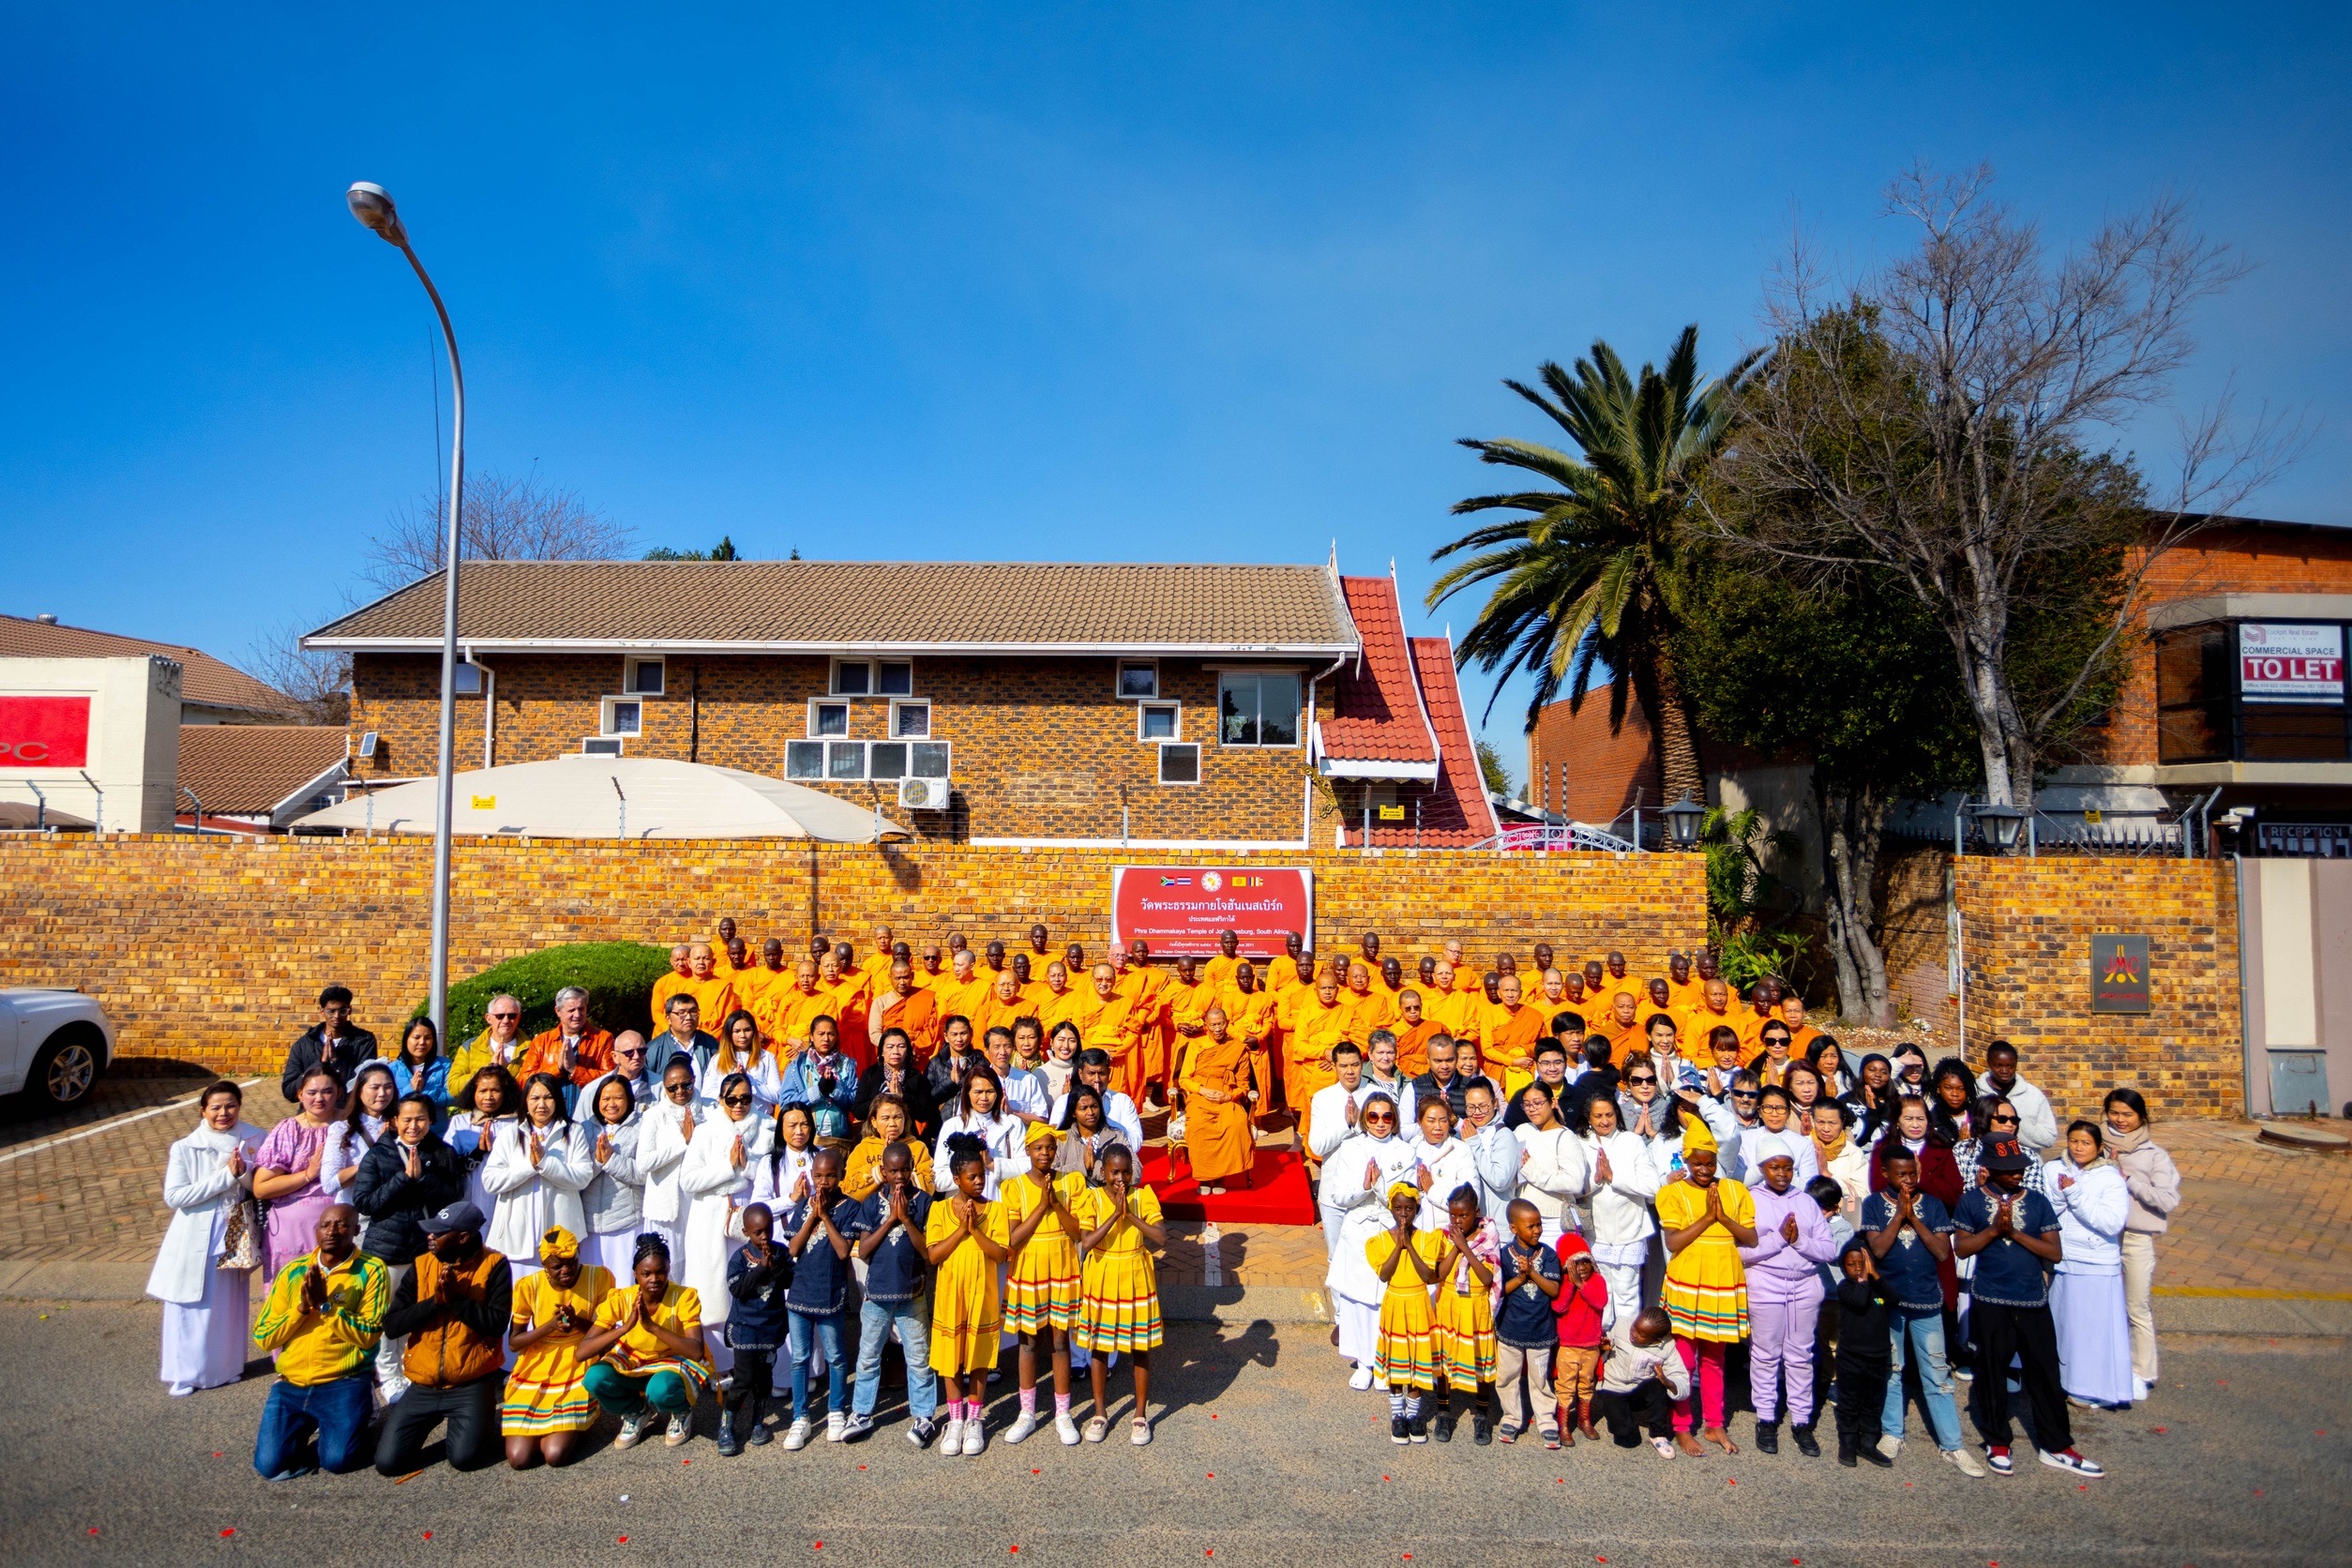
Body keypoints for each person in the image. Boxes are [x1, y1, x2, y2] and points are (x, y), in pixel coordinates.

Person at [1954, 1137, 2103, 1477]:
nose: (2015, 1175)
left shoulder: (2037, 1203)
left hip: (2033, 1300)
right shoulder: (1971, 1202)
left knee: (2046, 1374)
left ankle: (2056, 1445)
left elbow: (2054, 1253)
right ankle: (1997, 1441)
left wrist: (2015, 1233)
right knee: (1991, 1374)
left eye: (2019, 1168)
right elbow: (1962, 1249)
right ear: (1988, 1170)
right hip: (1990, 1300)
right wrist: (1994, 1230)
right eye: (2007, 1171)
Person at [1862, 1147, 1983, 1475]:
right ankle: (1892, 1433)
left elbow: (1944, 1252)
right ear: (1886, 1173)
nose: (1909, 1181)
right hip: (1890, 1302)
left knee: (1937, 1373)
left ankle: (1953, 1444)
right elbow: (1878, 1250)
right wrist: (1898, 1216)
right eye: (1900, 1175)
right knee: (1892, 1367)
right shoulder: (1874, 1204)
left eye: (1913, 1174)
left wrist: (1913, 1217)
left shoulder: (1932, 1205)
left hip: (1927, 1300)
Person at [373, 1200, 514, 1476]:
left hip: (470, 1382)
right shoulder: (421, 1265)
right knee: (388, 1464)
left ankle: (481, 1420)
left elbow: (496, 1325)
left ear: (463, 1237)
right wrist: (435, 1303)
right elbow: (391, 1326)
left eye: (439, 1233)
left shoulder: (495, 1265)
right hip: (424, 1384)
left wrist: (457, 1301)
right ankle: (471, 1425)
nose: (430, 1237)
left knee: (463, 1459)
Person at [249, 1204, 390, 1479]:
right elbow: (264, 1337)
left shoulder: (372, 1270)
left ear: (356, 1231)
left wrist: (326, 1307)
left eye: (341, 1225)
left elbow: (369, 1334)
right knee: (269, 1467)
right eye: (325, 1225)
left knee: (338, 1461)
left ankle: (361, 1415)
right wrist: (302, 1309)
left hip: (344, 1382)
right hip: (292, 1386)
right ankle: (319, 1428)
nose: (332, 1231)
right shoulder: (293, 1272)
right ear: (316, 1231)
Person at [351, 1093, 468, 1404]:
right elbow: (365, 1202)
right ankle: (389, 1377)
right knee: (389, 1316)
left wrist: (424, 1178)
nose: (413, 1126)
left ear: (431, 1121)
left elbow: (453, 1197)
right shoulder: (378, 1155)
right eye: (407, 1119)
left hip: (427, 1250)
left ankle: (415, 1368)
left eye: (420, 1119)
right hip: (387, 1249)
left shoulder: (443, 1152)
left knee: (423, 1313)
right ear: (394, 1122)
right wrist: (403, 1179)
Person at [151, 1081, 264, 1396]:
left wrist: (243, 1174)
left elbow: (262, 1184)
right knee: (192, 1305)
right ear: (203, 1110)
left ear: (239, 1107)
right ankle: (185, 1374)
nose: (223, 1113)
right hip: (195, 1234)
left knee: (228, 1304)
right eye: (215, 1107)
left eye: (230, 1106)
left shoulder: (256, 1137)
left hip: (237, 1232)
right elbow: (175, 1196)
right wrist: (225, 1177)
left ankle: (226, 1368)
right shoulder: (186, 1147)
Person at [1736, 1130, 1840, 1456]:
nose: (1781, 1174)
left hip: (1805, 1286)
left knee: (1801, 1356)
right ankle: (1766, 1418)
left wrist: (1798, 1242)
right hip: (1766, 1284)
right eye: (1774, 1167)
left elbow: (1828, 1250)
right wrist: (1780, 1239)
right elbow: (1742, 1252)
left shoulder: (1806, 1201)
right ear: (1763, 1168)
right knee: (1765, 1354)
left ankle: (1801, 1420)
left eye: (1787, 1168)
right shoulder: (1750, 1198)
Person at [1655, 1139, 1755, 1455]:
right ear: (1686, 1160)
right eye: (1697, 1163)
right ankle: (1682, 1427)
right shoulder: (1672, 1193)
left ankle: (1714, 1424)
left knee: (1715, 1360)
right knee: (1683, 1360)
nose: (1703, 1169)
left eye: (1709, 1163)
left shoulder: (1736, 1190)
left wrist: (1723, 1217)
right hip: (1687, 1282)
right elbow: (1673, 1242)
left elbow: (1750, 1238)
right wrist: (1708, 1218)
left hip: (1723, 1281)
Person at [844, 1140, 943, 1447]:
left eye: (904, 1169)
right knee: (868, 1356)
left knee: (918, 1357)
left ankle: (924, 1415)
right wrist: (890, 1219)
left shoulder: (925, 1202)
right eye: (893, 1171)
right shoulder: (872, 1204)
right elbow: (865, 1252)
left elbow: (927, 1251)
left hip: (911, 1291)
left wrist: (906, 1220)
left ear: (912, 1168)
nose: (899, 1176)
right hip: (876, 1294)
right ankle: (861, 1412)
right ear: (883, 1172)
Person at [577, 1232, 716, 1450]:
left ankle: (681, 1411)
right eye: (646, 1273)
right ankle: (636, 1411)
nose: (654, 1279)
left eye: (661, 1272)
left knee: (660, 1390)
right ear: (635, 1274)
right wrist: (624, 1328)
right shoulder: (622, 1298)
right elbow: (582, 1352)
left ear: (669, 1268)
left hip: (672, 1362)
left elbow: (696, 1351)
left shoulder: (684, 1297)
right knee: (595, 1378)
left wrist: (652, 1326)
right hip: (635, 1361)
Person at [996, 1123, 1086, 1445]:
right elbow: (1014, 1238)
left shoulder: (1072, 1182)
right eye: (1038, 1148)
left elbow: (1078, 1233)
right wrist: (1042, 1206)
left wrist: (1057, 1205)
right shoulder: (1014, 1187)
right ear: (1028, 1151)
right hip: (1028, 1270)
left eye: (1050, 1147)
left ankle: (1063, 1414)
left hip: (1062, 1268)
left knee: (1061, 1344)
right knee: (1028, 1344)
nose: (1045, 1153)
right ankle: (1027, 1413)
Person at [1322, 1093, 1420, 1389]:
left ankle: (1384, 1360)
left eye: (1387, 1117)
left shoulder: (1407, 1151)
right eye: (1373, 1116)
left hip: (1390, 1230)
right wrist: (1364, 1186)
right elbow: (1338, 1196)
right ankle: (1363, 1361)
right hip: (1358, 1230)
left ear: (1395, 1119)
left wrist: (1381, 1187)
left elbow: (1410, 1194)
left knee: (1383, 1301)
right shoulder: (1351, 1148)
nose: (1380, 1123)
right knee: (1357, 1300)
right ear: (1365, 1118)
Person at [681, 1070, 775, 1377]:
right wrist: (727, 1167)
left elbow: (770, 1174)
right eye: (732, 1099)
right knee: (714, 1289)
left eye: (745, 1099)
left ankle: (758, 1359)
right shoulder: (705, 1132)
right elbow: (689, 1180)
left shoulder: (767, 1128)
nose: (739, 1105)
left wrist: (747, 1166)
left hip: (749, 1213)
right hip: (710, 1216)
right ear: (721, 1100)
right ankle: (718, 1364)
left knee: (754, 1284)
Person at [925, 1132, 1012, 1457]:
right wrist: (961, 1229)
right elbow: (934, 1256)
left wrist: (975, 1229)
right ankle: (956, 1419)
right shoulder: (940, 1211)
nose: (979, 1181)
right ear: (957, 1179)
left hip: (983, 1297)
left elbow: (1001, 1254)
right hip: (951, 1296)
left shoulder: (996, 1211)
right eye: (972, 1177)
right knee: (951, 1360)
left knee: (978, 1357)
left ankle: (975, 1418)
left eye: (982, 1175)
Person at [1073, 1143, 1166, 1444]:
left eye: (1126, 1172)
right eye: (1114, 1172)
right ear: (1102, 1173)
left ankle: (1140, 1415)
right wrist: (1115, 1215)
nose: (1121, 1179)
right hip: (1102, 1277)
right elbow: (1086, 1243)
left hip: (1136, 1276)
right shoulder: (1092, 1198)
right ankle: (1100, 1413)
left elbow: (1160, 1237)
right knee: (1099, 1347)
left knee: (1140, 1347)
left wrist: (1130, 1215)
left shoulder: (1144, 1196)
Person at [501, 1226, 614, 1469]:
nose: (566, 1270)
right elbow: (514, 1342)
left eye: (571, 1262)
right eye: (557, 1266)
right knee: (519, 1459)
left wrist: (576, 1322)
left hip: (579, 1358)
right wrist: (551, 1326)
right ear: (545, 1266)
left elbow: (608, 1335)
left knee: (554, 1455)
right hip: (537, 1365)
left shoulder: (599, 1277)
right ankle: (559, 1426)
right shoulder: (528, 1286)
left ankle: (578, 1426)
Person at [2046, 1119, 2133, 1409]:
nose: (2079, 1147)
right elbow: (2048, 1211)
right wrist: (2065, 1194)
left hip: (2096, 1264)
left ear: (2098, 1148)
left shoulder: (2110, 1178)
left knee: (2092, 1331)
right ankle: (2061, 1381)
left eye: (2086, 1143)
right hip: (2064, 1260)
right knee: (2064, 1327)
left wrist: (2074, 1193)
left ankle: (2090, 1386)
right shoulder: (2052, 1169)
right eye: (2074, 1141)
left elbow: (2111, 1223)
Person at [2103, 1087, 2180, 1400]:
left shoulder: (2155, 1155)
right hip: (2102, 1237)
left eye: (2128, 1114)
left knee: (2136, 1306)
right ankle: (2107, 1364)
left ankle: (2142, 1371)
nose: (2120, 1120)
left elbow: (2167, 1199)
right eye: (2114, 1113)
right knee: (2104, 1306)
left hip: (2136, 1238)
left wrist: (2129, 1181)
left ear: (2141, 1117)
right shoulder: (2095, 1144)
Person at [780, 1146, 858, 1447]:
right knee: (799, 1358)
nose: (823, 1182)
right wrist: (812, 1214)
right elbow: (793, 1249)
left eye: (830, 1176)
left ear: (841, 1176)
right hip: (800, 1294)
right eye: (818, 1176)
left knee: (836, 1357)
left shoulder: (850, 1208)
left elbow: (842, 1251)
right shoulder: (804, 1205)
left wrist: (825, 1216)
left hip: (830, 1294)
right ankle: (800, 1417)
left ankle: (836, 1411)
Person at [485, 1072, 593, 1284]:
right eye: (534, 1098)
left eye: (548, 1097)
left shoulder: (573, 1131)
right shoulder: (510, 1133)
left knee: (557, 1297)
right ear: (525, 1101)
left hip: (559, 1229)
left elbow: (582, 1177)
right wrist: (530, 1166)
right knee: (519, 1294)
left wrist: (545, 1164)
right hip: (517, 1230)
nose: (541, 1104)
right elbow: (490, 1181)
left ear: (557, 1100)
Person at [1573, 1091, 1661, 1328]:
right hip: (1596, 1235)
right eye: (1598, 1116)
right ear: (1588, 1118)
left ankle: (1626, 1351)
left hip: (1629, 1232)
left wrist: (1614, 1177)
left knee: (1628, 1294)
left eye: (1609, 1115)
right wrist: (1596, 1179)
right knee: (1603, 1293)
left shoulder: (1631, 1141)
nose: (1604, 1121)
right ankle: (1605, 1350)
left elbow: (1653, 1187)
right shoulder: (1580, 1143)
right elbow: (1574, 1187)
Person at [1369, 1178, 1443, 1443]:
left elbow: (1428, 1275)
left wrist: (1409, 1245)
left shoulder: (1426, 1240)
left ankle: (1414, 1414)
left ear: (1417, 1210)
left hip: (1419, 1303)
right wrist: (1398, 1245)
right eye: (1398, 1208)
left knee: (1416, 1362)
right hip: (1395, 1304)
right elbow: (1384, 1275)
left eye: (1409, 1209)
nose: (1403, 1214)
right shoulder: (1378, 1241)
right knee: (1398, 1363)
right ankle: (1397, 1415)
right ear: (1391, 1208)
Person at [254, 1066, 345, 1281]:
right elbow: (261, 1187)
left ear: (339, 1093)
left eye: (327, 1091)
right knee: (294, 1300)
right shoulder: (288, 1130)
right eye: (312, 1093)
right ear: (300, 1094)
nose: (319, 1099)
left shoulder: (351, 1125)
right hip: (292, 1232)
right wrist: (308, 1173)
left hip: (341, 1228)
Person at [1428, 1184, 1501, 1444]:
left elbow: (1485, 1278)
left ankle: (1482, 1415)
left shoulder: (1489, 1235)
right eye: (1453, 1215)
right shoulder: (1442, 1236)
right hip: (1448, 1303)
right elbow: (1439, 1274)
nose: (1458, 1221)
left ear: (1477, 1212)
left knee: (1480, 1361)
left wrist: (1466, 1248)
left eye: (1464, 1215)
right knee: (1445, 1362)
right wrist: (1456, 1246)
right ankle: (1444, 1411)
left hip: (1475, 1305)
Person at [718, 1202, 791, 1456]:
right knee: (743, 1380)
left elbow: (789, 1280)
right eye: (758, 1232)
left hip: (770, 1329)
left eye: (768, 1230)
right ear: (746, 1232)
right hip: (745, 1329)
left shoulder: (780, 1253)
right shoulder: (738, 1258)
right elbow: (737, 1289)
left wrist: (775, 1266)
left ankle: (757, 1423)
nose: (764, 1237)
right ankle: (727, 1426)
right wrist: (761, 1268)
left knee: (764, 1380)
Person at [578, 1076, 651, 1286]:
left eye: (618, 1097)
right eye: (605, 1098)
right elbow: (577, 1176)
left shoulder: (642, 1126)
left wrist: (611, 1160)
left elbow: (644, 1174)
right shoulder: (583, 1128)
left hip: (626, 1220)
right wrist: (598, 1162)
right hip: (590, 1221)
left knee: (622, 1285)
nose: (611, 1104)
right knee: (592, 1286)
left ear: (629, 1099)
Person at [1179, 1006, 1259, 1195]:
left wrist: (1229, 1096)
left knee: (1235, 1124)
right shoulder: (1196, 1045)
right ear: (1205, 1026)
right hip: (1201, 1096)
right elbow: (1184, 1079)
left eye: (1221, 1024)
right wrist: (1203, 1090)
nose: (1217, 1029)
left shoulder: (1238, 1049)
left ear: (1227, 1024)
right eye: (1213, 1025)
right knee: (1198, 1126)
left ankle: (1221, 1175)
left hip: (1227, 1097)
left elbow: (1244, 1085)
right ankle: (1204, 1177)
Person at [1593, 1305, 1690, 1459]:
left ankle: (1658, 1434)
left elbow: (1682, 1381)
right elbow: (1599, 1343)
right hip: (1613, 1387)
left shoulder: (1667, 1347)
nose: (1634, 1334)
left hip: (1639, 1389)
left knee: (1658, 1386)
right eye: (1634, 1327)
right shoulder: (1621, 1325)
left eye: (1641, 1334)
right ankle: (1622, 1416)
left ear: (1656, 1339)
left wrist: (1668, 1382)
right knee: (1624, 1435)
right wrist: (1602, 1347)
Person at [1831, 1240, 1895, 1468]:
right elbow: (1858, 1302)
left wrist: (1875, 1275)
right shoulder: (1845, 1287)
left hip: (1877, 1356)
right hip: (1851, 1357)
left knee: (1872, 1403)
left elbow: (1895, 1299)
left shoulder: (1877, 1287)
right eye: (1852, 1264)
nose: (1858, 1267)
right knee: (1850, 1402)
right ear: (1843, 1267)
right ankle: (1847, 1444)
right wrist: (1864, 1280)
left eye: (1862, 1262)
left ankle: (1867, 1443)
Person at [636, 1059, 701, 1259]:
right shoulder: (654, 1116)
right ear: (664, 1088)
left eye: (686, 1085)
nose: (680, 1091)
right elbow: (643, 1163)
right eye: (672, 1088)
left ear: (694, 1080)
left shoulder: (709, 1110)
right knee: (668, 1264)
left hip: (698, 1201)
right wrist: (683, 1142)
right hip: (666, 1205)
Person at [933, 1063, 1024, 1202]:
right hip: (961, 1208)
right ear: (967, 1093)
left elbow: (1026, 1167)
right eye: (978, 1092)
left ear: (999, 1093)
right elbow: (938, 1180)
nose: (984, 1098)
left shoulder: (1013, 1125)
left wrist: (993, 1164)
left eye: (990, 1091)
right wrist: (969, 1168)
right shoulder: (952, 1126)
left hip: (1001, 1206)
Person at [1549, 1232, 1608, 1446]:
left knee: (1586, 1384)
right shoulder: (1564, 1283)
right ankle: (1563, 1425)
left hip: (1591, 1346)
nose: (1582, 1268)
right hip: (1568, 1346)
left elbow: (1600, 1302)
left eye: (1586, 1262)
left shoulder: (1597, 1281)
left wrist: (1582, 1286)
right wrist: (1572, 1284)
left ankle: (1584, 1420)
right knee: (1565, 1385)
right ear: (1566, 1265)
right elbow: (1558, 1306)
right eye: (1575, 1263)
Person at [1512, 1080, 1586, 1246]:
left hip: (1554, 1222)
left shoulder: (1566, 1137)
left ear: (1552, 1102)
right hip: (1523, 1218)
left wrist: (1533, 1172)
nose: (1532, 1109)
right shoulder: (1521, 1131)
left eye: (1538, 1103)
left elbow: (1574, 1182)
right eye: (1527, 1105)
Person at [446, 1063, 522, 1221]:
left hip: (506, 1199)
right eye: (482, 1091)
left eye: (495, 1090)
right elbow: (448, 1166)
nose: (488, 1097)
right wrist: (477, 1153)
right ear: (473, 1092)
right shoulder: (460, 1123)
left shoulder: (518, 1124)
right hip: (470, 1197)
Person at [279, 984, 379, 1103]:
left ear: (350, 1010)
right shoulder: (304, 1044)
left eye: (342, 1011)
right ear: (322, 1011)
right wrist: (320, 1064)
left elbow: (365, 1086)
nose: (337, 1016)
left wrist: (337, 1061)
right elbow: (289, 1091)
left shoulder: (364, 1041)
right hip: (313, 1113)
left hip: (348, 1113)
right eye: (331, 1011)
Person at [520, 987, 616, 1106]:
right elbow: (524, 1081)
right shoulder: (542, 1041)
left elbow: (612, 1080)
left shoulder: (603, 1038)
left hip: (588, 1110)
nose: (577, 1015)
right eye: (571, 1010)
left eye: (581, 1009)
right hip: (550, 1113)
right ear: (558, 1011)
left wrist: (574, 1070)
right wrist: (557, 1069)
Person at [778, 1016, 861, 1147]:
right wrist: (819, 1090)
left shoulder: (847, 1064)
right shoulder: (797, 1066)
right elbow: (786, 1103)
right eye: (821, 1034)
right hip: (808, 1141)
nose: (826, 1039)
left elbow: (856, 1103)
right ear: (811, 1036)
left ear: (837, 1037)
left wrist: (835, 1090)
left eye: (831, 1034)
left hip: (839, 1139)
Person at [856, 1027, 942, 1143]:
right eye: (890, 1047)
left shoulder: (915, 1077)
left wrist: (903, 1096)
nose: (895, 1051)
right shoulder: (870, 1074)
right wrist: (883, 1098)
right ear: (882, 1051)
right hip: (874, 1139)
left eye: (901, 1046)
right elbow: (858, 1111)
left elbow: (925, 1114)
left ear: (907, 1051)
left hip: (907, 1138)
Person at [843, 1093, 935, 1199]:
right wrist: (881, 1170)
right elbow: (849, 1191)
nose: (892, 1123)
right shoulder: (862, 1150)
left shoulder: (918, 1148)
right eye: (885, 1118)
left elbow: (928, 1189)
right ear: (874, 1122)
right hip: (872, 1213)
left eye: (897, 1117)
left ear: (905, 1119)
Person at [446, 993, 530, 1105]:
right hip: (477, 1116)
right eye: (500, 1016)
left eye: (512, 1016)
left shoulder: (532, 1048)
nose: (506, 1020)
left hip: (514, 1115)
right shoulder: (471, 1046)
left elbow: (532, 1088)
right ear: (488, 1018)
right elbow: (454, 1087)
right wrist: (486, 1071)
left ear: (518, 1018)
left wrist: (504, 1073)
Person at [1983, 1041, 2059, 1156]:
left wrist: (2015, 1126)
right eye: (1998, 1066)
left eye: (2010, 1066)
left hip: (2026, 1166)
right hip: (1986, 1161)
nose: (2004, 1071)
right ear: (1988, 1063)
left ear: (2016, 1064)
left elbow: (2050, 1137)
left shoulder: (2033, 1095)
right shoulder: (1976, 1093)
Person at [702, 1008, 784, 1109]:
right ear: (729, 1034)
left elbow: (778, 1096)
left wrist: (750, 1080)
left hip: (759, 1119)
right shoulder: (718, 1059)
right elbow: (707, 1095)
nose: (743, 1036)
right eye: (737, 1031)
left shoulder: (767, 1057)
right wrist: (731, 1084)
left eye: (747, 1030)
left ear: (754, 1032)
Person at [386, 1018, 452, 1121]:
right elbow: (388, 1102)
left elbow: (453, 1097)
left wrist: (426, 1088)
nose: (422, 1042)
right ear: (406, 1039)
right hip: (405, 1132)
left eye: (427, 1038)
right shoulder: (392, 1069)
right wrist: (411, 1089)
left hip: (437, 1132)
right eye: (416, 1037)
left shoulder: (444, 1065)